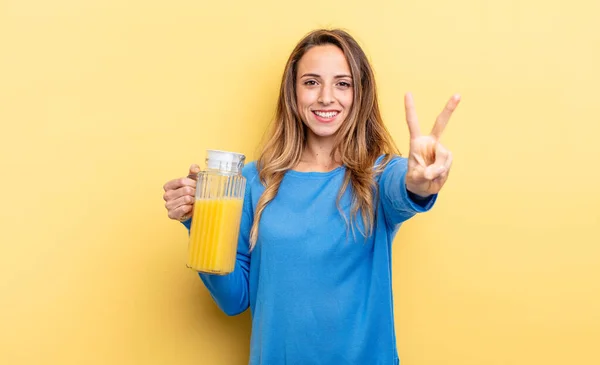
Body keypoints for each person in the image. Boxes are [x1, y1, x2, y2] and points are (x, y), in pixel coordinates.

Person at [163, 28, 460, 365]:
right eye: (311, 82)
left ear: (359, 93)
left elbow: (406, 188)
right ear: (293, 92)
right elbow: (234, 300)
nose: (326, 97)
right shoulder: (253, 181)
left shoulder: (378, 177)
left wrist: (421, 181)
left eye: (342, 83)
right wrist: (197, 221)